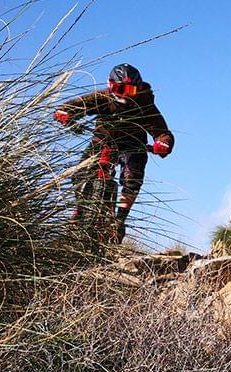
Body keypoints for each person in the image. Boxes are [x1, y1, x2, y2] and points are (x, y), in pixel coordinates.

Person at [54, 64, 175, 243]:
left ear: (139, 88)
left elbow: (163, 132)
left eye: (131, 89)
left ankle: (120, 220)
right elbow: (76, 104)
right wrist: (65, 113)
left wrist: (162, 143)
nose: (125, 94)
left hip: (132, 145)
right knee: (80, 175)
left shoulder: (145, 104)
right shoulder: (103, 98)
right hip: (103, 142)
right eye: (119, 89)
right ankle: (80, 209)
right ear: (111, 86)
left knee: (132, 177)